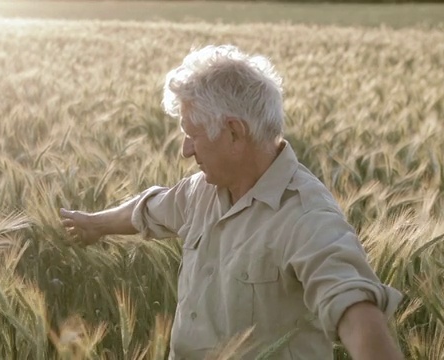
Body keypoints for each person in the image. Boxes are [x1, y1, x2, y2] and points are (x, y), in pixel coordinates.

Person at [59, 45, 404, 359]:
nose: (186, 150)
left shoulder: (306, 216)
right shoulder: (201, 191)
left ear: (235, 133)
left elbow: (350, 301)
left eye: (193, 135)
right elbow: (147, 209)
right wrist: (95, 224)